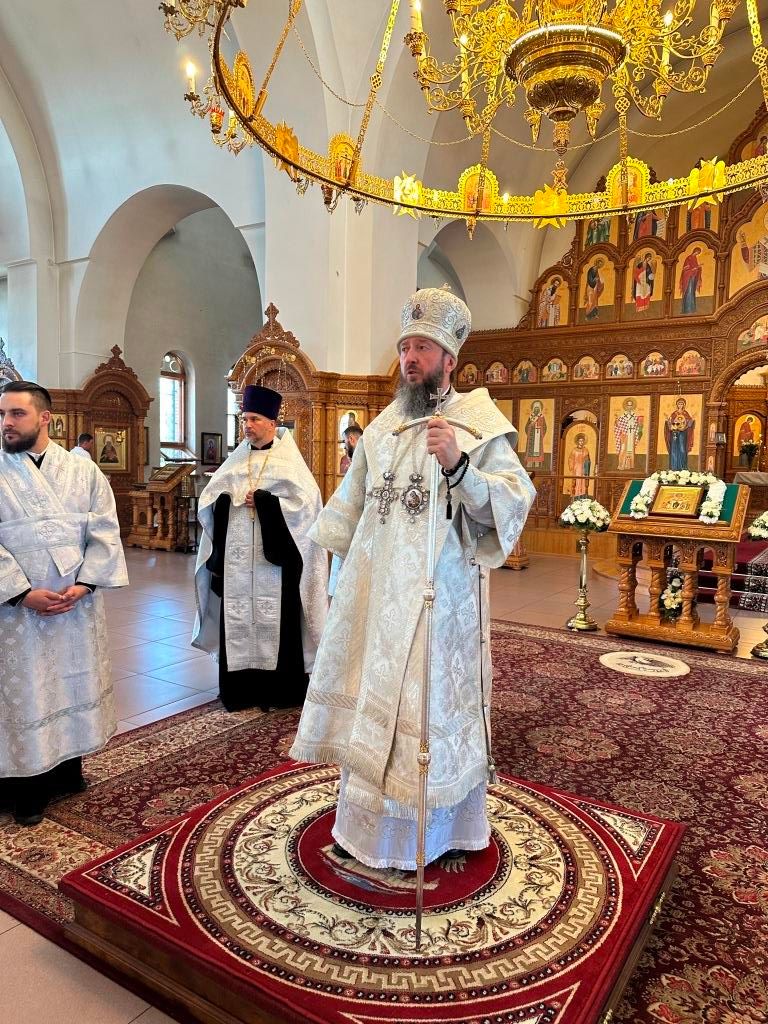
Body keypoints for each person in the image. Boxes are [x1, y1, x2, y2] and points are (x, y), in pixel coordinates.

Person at [290, 287, 536, 870]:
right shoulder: (383, 427)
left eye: (422, 348)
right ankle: (367, 831)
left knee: (427, 709)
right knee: (374, 703)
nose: (409, 358)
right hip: (378, 597)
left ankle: (437, 834)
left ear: (449, 358)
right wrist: (327, 577)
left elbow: (514, 499)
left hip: (438, 600)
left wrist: (460, 466)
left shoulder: (478, 423)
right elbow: (349, 506)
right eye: (405, 347)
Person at [0, 381, 128, 826]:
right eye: (2, 415)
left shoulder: (83, 471)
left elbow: (105, 529)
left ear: (45, 418)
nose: (6, 423)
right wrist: (21, 592)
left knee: (71, 683)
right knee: (26, 693)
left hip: (75, 605)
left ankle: (67, 771)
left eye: (16, 414)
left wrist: (87, 584)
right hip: (17, 613)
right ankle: (25, 789)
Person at [193, 384, 328, 712]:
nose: (248, 425)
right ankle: (240, 691)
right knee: (238, 617)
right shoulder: (235, 462)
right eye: (244, 419)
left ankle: (279, 691)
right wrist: (227, 500)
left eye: (254, 419)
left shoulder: (290, 464)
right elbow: (210, 502)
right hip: (238, 565)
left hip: (275, 566)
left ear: (271, 422)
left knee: (276, 622)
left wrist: (267, 502)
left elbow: (307, 508)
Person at [664, 397, 696, 471]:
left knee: (682, 449)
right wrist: (667, 421)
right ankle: (673, 467)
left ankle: (682, 467)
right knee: (674, 449)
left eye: (682, 404)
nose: (680, 405)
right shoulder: (674, 414)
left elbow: (689, 424)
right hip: (674, 434)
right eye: (679, 404)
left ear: (684, 405)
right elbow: (670, 424)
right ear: (677, 405)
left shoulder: (685, 413)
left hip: (683, 433)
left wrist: (692, 419)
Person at [614, 397, 644, 471]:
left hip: (632, 435)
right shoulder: (622, 417)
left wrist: (640, 424)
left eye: (631, 405)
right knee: (623, 450)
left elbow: (638, 426)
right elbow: (618, 426)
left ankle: (629, 465)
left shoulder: (635, 416)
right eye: (628, 405)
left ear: (632, 406)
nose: (629, 407)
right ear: (626, 406)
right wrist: (616, 422)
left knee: (631, 450)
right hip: (624, 435)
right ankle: (621, 465)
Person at [680, 248, 703, 314]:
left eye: (698, 253)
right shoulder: (689, 258)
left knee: (692, 292)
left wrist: (698, 267)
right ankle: (687, 309)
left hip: (693, 277)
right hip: (688, 278)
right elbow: (685, 269)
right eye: (697, 252)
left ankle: (692, 309)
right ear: (694, 251)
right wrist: (695, 268)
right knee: (689, 291)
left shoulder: (695, 258)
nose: (697, 254)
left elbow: (695, 267)